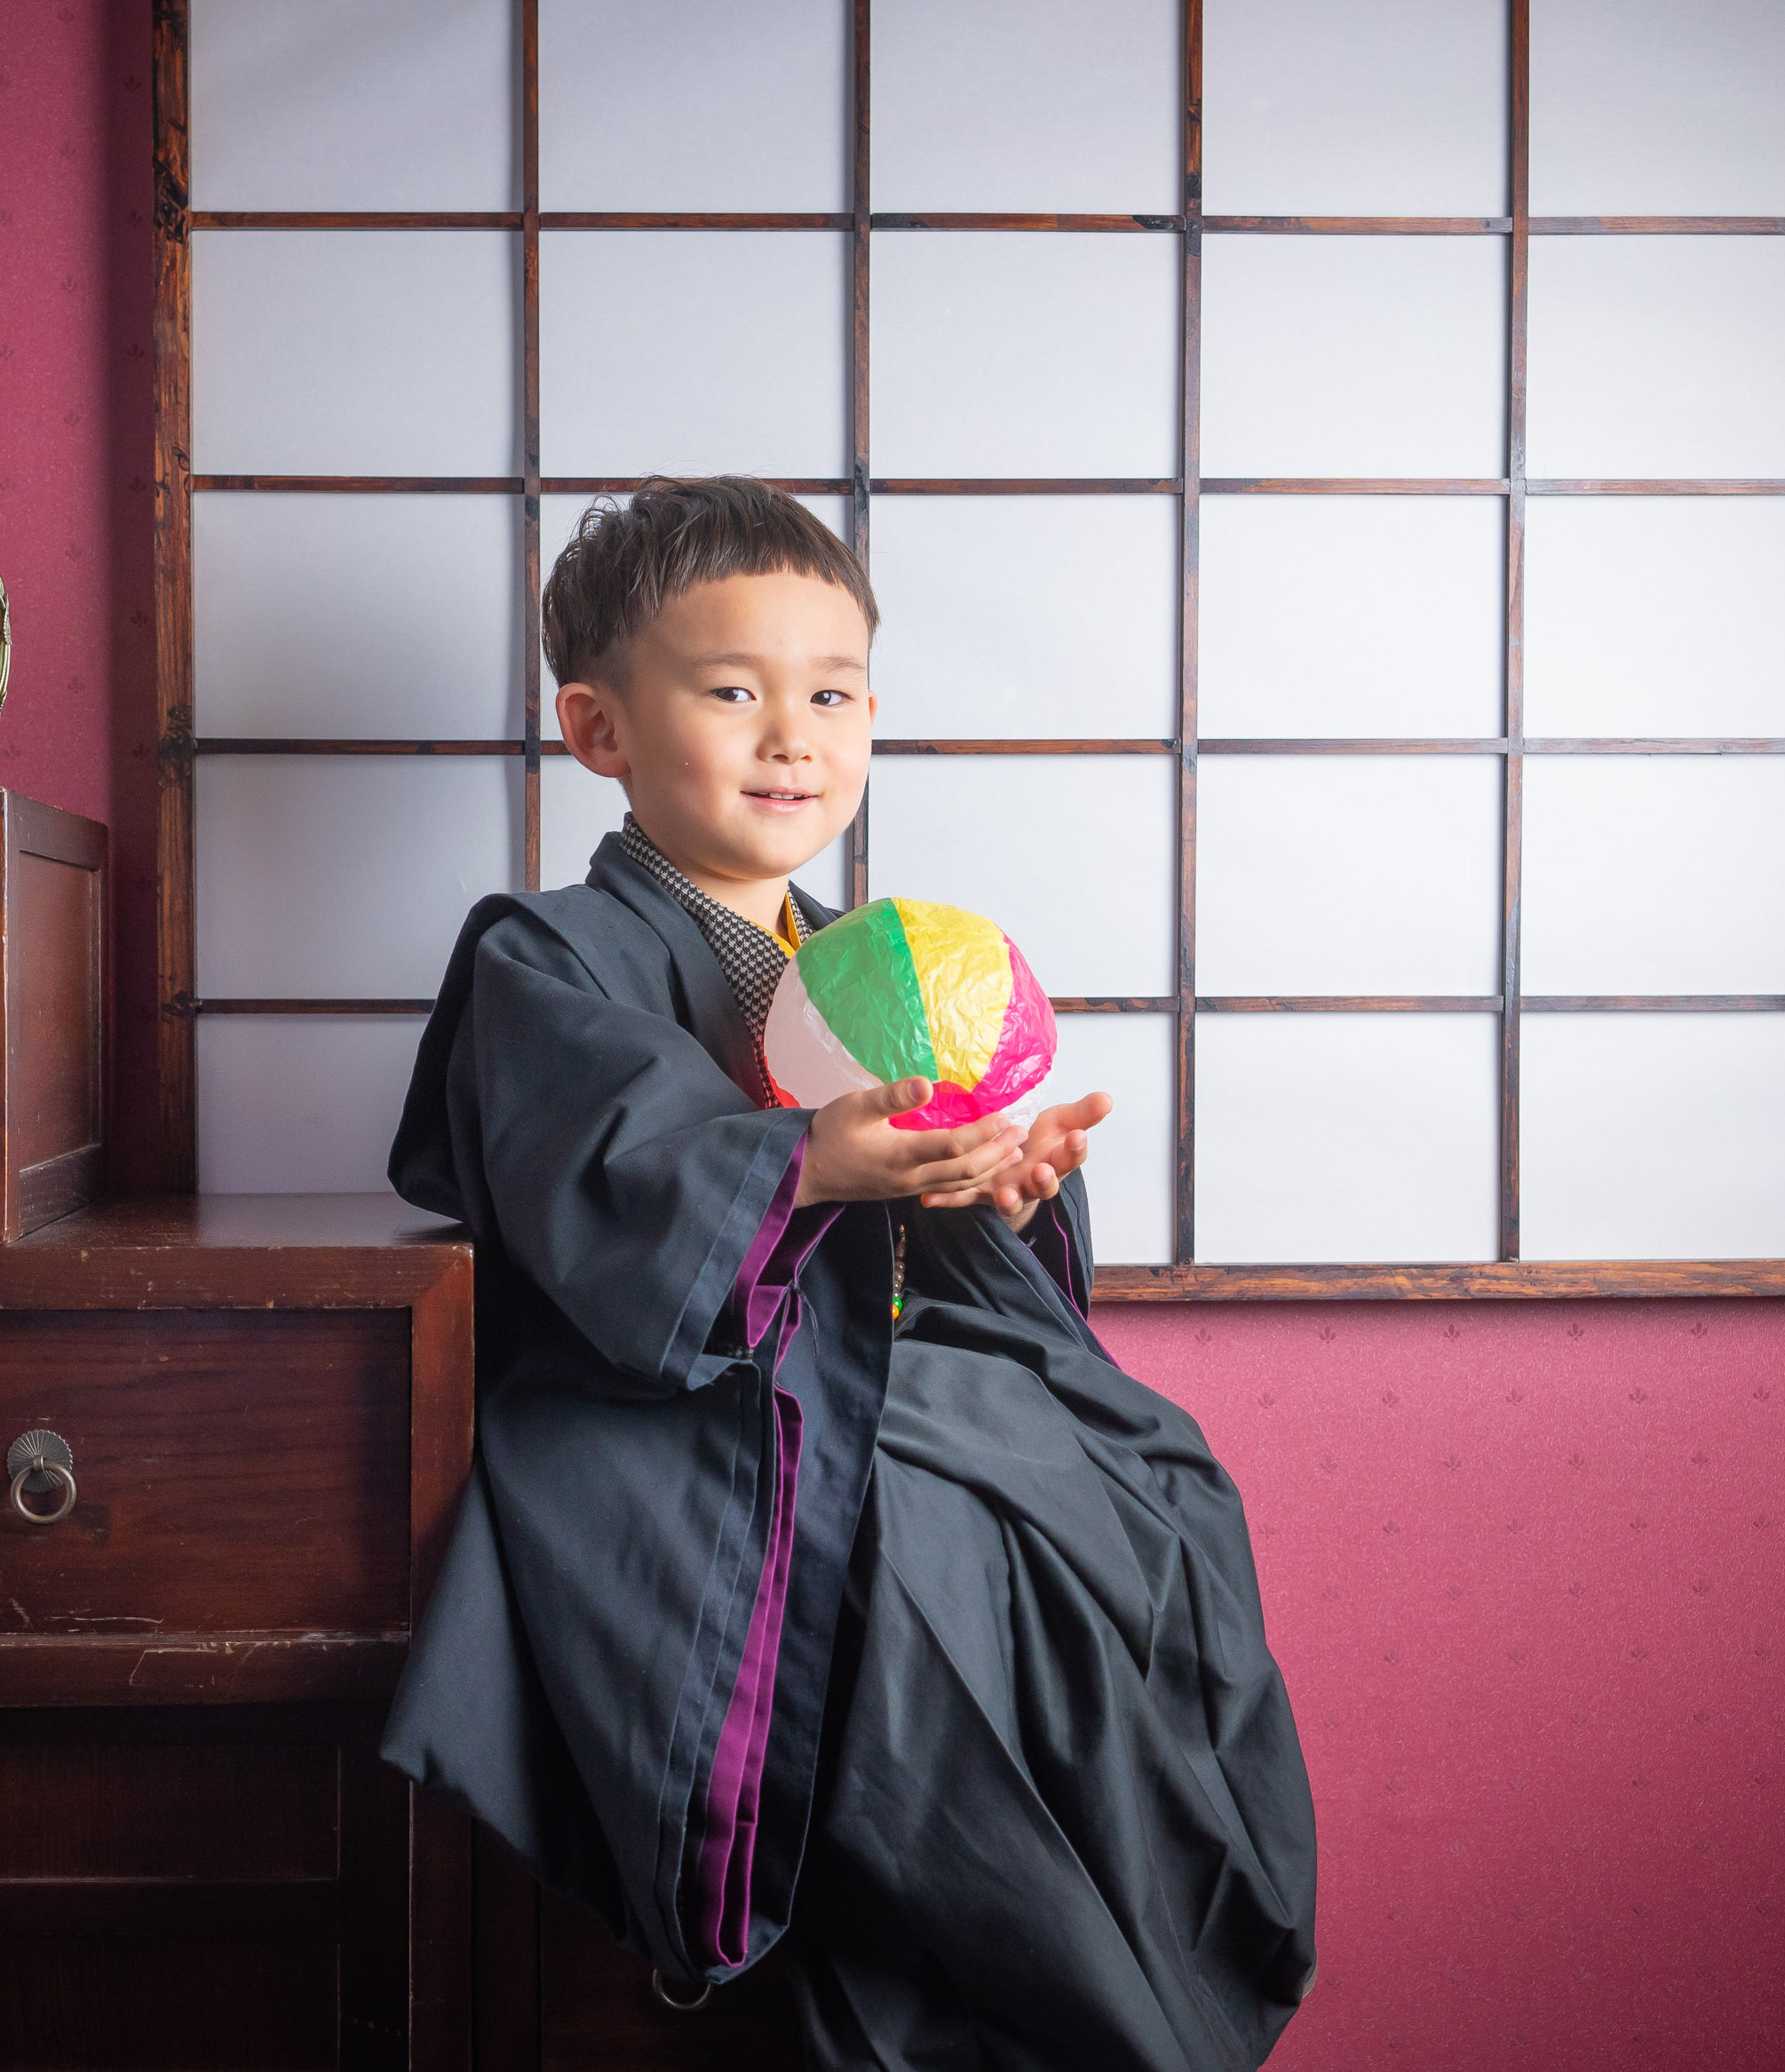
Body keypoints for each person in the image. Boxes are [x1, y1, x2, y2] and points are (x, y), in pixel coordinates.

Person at [383, 476, 1318, 2070]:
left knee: (1154, 1483)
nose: (791, 739)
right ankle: (1022, 2008)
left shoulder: (874, 959)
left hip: (884, 1367)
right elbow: (605, 1179)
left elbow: (932, 1231)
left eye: (830, 696)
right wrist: (812, 1162)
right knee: (931, 1556)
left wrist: (994, 1189)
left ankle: (1149, 1962)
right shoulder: (544, 954)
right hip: (682, 1406)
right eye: (731, 693)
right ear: (599, 728)